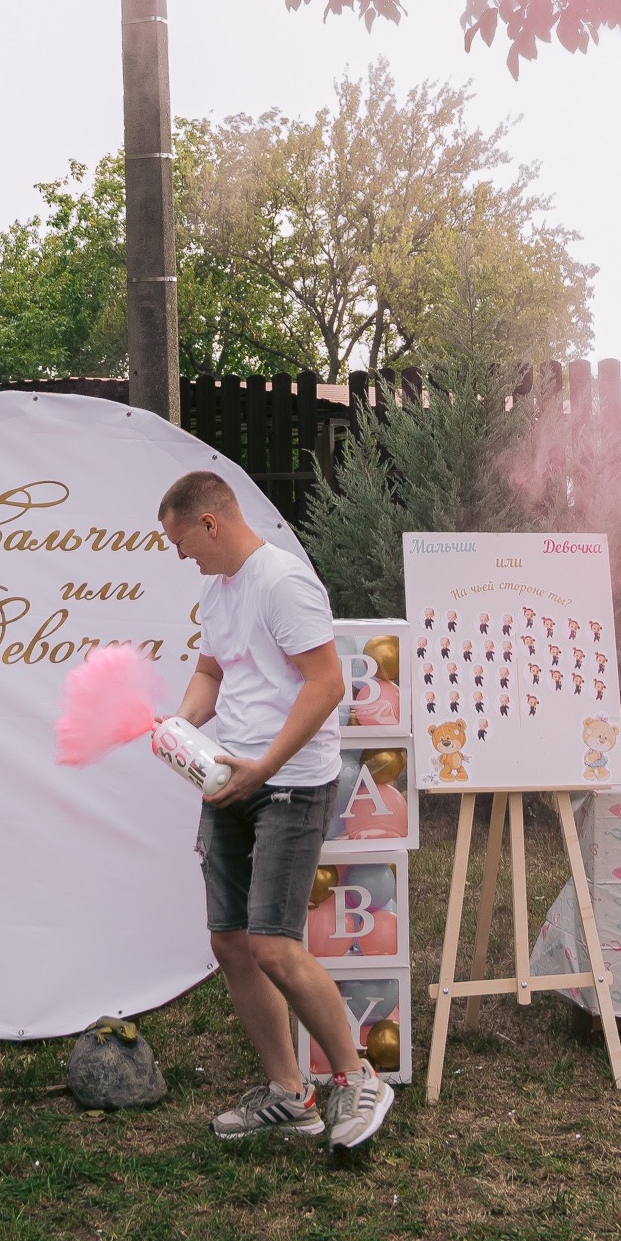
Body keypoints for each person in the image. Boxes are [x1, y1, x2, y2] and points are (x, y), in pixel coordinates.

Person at [160, 469, 395, 1151]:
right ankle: (289, 1095)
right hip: (229, 777)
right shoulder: (217, 590)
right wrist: (179, 727)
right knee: (230, 943)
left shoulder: (284, 583)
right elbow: (212, 672)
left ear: (210, 523)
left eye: (181, 542)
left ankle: (357, 1078)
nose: (182, 556)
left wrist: (264, 766)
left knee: (273, 945)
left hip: (288, 782)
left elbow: (326, 685)